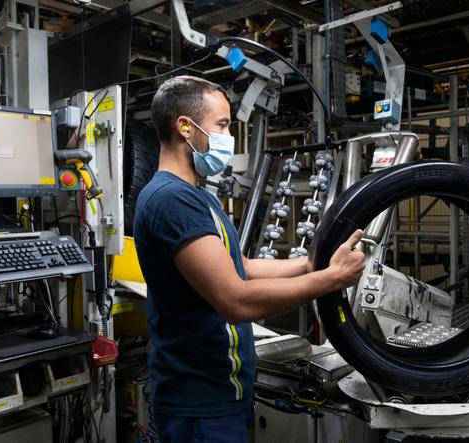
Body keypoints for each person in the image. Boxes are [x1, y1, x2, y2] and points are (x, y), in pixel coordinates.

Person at [133, 75, 365, 443]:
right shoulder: (171, 200)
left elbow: (240, 265)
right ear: (185, 128)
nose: (228, 137)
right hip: (200, 404)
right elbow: (235, 300)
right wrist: (331, 279)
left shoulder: (196, 195)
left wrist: (310, 265)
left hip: (222, 394)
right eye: (222, 126)